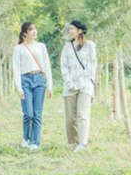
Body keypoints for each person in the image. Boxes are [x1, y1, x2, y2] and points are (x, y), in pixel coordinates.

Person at [12, 22, 52, 151]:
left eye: (35, 29)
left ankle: (35, 142)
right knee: (28, 113)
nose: (34, 32)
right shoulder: (18, 48)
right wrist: (19, 87)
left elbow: (47, 66)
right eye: (31, 30)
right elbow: (16, 69)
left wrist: (50, 85)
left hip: (39, 79)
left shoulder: (41, 46)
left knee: (37, 113)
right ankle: (26, 137)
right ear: (25, 33)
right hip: (26, 80)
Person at [60, 20, 96, 152]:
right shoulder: (67, 47)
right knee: (70, 119)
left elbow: (92, 66)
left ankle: (82, 143)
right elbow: (64, 66)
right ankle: (74, 141)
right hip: (70, 86)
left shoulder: (90, 45)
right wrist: (70, 83)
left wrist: (81, 83)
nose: (70, 31)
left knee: (83, 115)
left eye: (72, 29)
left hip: (86, 86)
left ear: (80, 31)